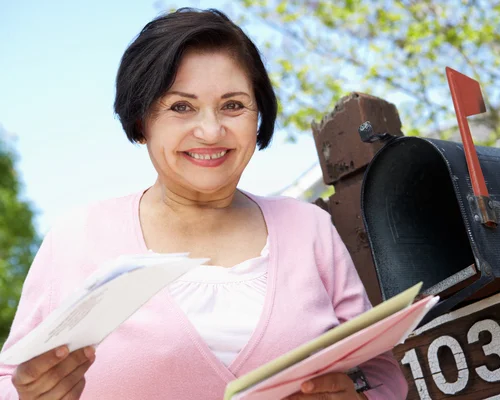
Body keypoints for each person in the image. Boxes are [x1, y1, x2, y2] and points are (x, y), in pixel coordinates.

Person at [0, 8, 407, 400]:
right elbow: (11, 380)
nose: (211, 131)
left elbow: (378, 372)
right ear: (141, 120)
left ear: (258, 115)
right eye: (181, 107)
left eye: (233, 105)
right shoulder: (76, 237)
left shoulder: (310, 228)